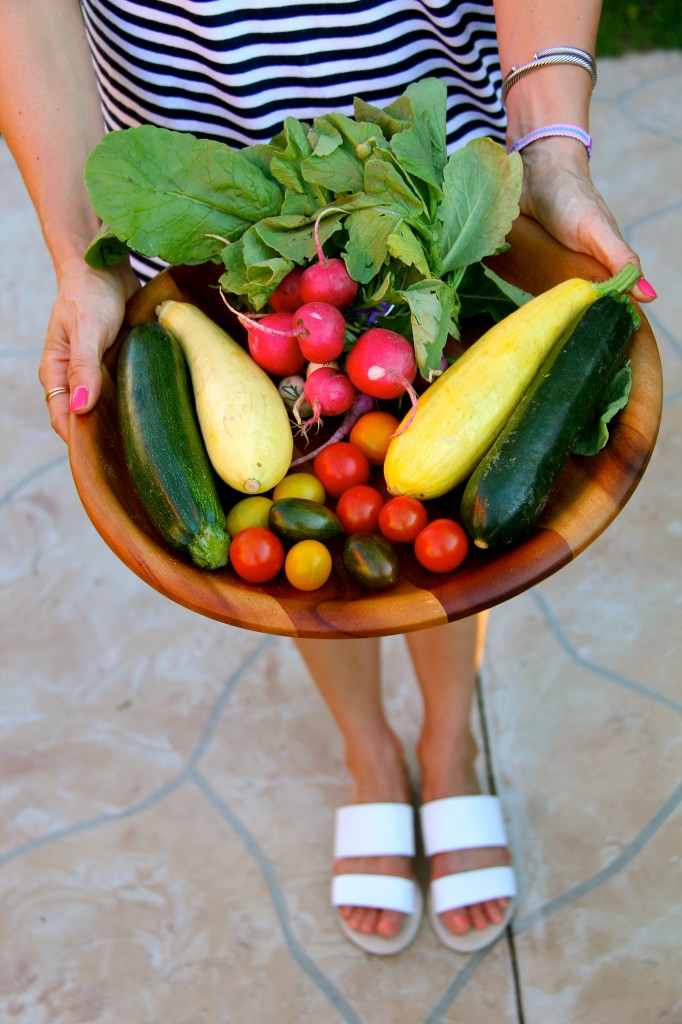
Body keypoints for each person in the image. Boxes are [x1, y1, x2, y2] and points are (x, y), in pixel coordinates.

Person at [0, 0, 656, 957]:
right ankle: (370, 751)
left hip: (420, 159)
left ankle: (446, 741)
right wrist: (79, 255)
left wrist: (552, 148)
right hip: (215, 172)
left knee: (446, 508)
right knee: (296, 544)